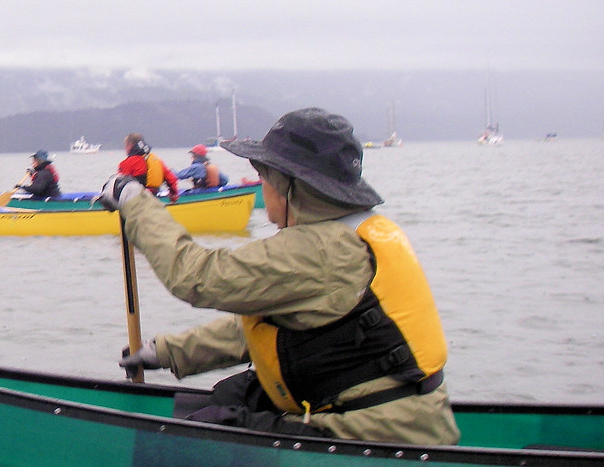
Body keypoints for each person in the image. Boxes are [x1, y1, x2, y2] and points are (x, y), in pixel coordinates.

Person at [98, 107, 459, 446]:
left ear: (289, 185)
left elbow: (196, 276)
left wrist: (134, 202)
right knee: (233, 394)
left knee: (206, 431)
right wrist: (166, 352)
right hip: (404, 418)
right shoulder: (352, 232)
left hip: (382, 433)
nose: (261, 185)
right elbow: (264, 330)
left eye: (264, 177)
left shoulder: (321, 249)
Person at [118, 133, 180, 202]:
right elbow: (172, 180)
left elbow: (119, 186)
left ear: (130, 145)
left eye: (125, 145)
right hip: (153, 200)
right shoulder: (157, 160)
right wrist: (173, 196)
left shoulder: (126, 163)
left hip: (135, 202)